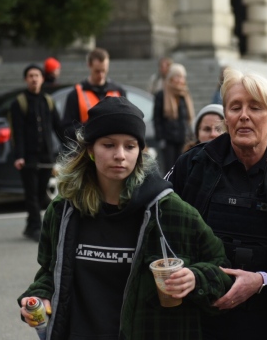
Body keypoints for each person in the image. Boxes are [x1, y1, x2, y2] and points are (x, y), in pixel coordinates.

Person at [17, 96, 232, 340]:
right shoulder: (64, 210)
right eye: (108, 145)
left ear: (140, 151)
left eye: (130, 146)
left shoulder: (169, 210)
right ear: (89, 150)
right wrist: (39, 296)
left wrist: (195, 278)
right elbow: (50, 271)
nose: (120, 155)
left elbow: (222, 269)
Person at [166, 68, 267, 340]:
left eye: (255, 107)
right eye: (235, 107)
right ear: (226, 117)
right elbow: (165, 232)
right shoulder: (193, 165)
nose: (244, 115)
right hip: (201, 320)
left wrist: (261, 281)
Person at [9, 64, 64, 242]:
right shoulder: (19, 103)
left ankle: (30, 224)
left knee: (41, 193)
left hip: (46, 156)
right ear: (26, 79)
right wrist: (19, 156)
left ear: (42, 78)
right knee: (31, 193)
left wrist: (70, 146)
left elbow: (59, 127)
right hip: (28, 157)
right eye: (31, 76)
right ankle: (35, 227)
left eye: (37, 75)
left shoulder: (48, 101)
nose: (34, 79)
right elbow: (16, 131)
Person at [61, 47, 126, 140]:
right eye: (97, 71)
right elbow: (67, 130)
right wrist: (91, 125)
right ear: (89, 65)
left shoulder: (118, 92)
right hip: (87, 148)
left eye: (104, 70)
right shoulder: (75, 94)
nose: (101, 75)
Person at [153, 63, 195, 173]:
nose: (180, 80)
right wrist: (160, 138)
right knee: (169, 168)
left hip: (183, 138)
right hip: (168, 140)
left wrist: (189, 135)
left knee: (182, 168)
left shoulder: (184, 94)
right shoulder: (161, 95)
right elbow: (157, 119)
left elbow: (187, 118)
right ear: (171, 77)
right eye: (177, 76)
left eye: (182, 77)